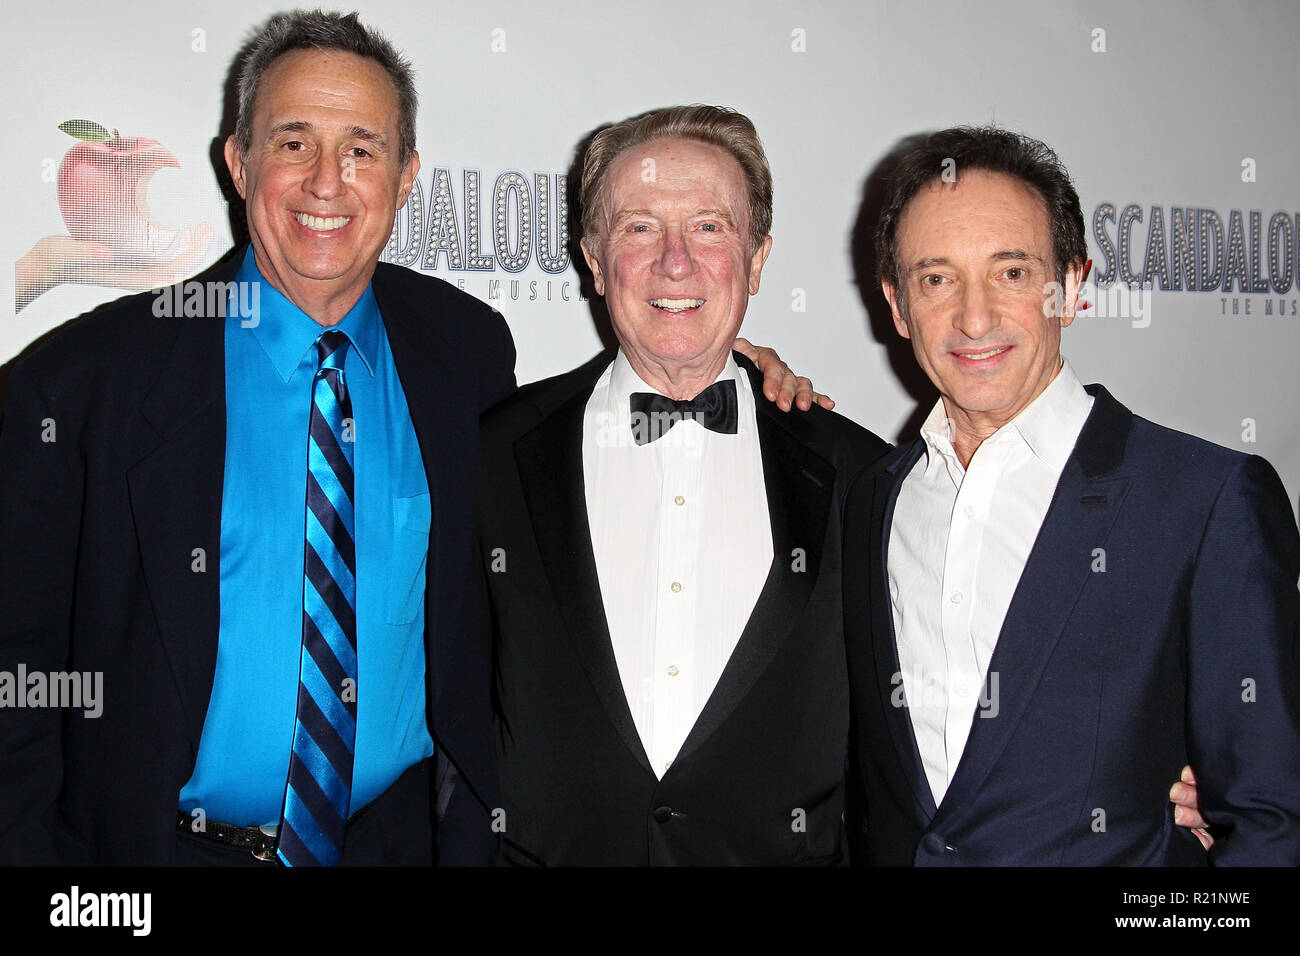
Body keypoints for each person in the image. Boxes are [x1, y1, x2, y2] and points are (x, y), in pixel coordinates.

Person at [0, 11, 819, 867]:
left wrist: (734, 372)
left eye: (362, 148)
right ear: (238, 164)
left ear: (406, 176)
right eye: (292, 143)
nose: (327, 182)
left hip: (396, 847)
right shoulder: (88, 381)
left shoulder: (461, 350)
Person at [844, 126, 1300, 865]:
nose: (975, 317)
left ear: (1073, 287)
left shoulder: (1204, 502)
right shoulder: (871, 500)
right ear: (897, 306)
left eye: (1012, 272)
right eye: (936, 278)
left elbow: (1272, 821)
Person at [479, 105, 891, 865]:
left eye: (708, 227)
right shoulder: (490, 453)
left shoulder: (862, 478)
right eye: (639, 228)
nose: (676, 262)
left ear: (757, 258)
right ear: (595, 260)